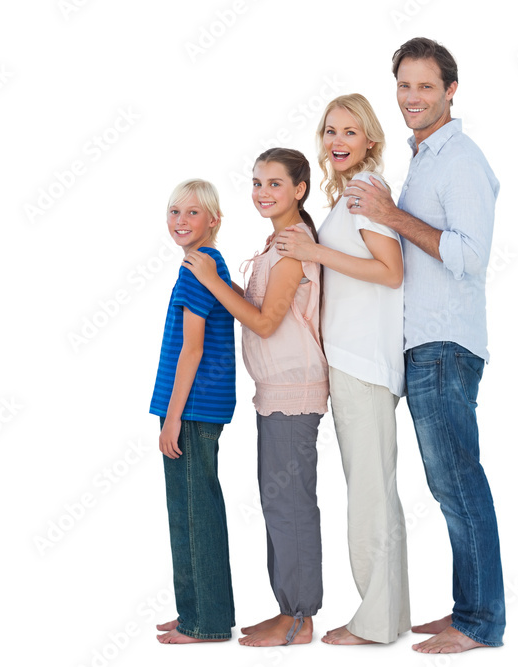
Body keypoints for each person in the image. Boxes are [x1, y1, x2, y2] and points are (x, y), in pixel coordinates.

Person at [343, 37, 505, 653]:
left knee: (458, 481)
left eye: (426, 87)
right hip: (423, 346)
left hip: (445, 343)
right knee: (448, 482)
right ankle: (470, 608)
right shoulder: (423, 160)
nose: (413, 98)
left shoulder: (460, 159)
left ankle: (480, 623)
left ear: (450, 91)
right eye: (404, 87)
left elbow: (467, 254)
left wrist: (391, 214)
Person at [274, 93, 408, 645]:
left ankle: (375, 623)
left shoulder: (364, 191)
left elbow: (391, 271)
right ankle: (388, 616)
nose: (337, 141)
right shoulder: (347, 196)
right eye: (331, 130)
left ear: (369, 140)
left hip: (363, 364)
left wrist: (317, 253)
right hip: (352, 363)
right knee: (374, 489)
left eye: (350, 132)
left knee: (370, 494)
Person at [183, 148, 328, 647]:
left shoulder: (294, 246)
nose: (262, 193)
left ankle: (300, 618)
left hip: (294, 390)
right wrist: (223, 285)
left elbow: (266, 322)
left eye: (274, 184)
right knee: (277, 499)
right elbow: (260, 309)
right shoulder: (276, 244)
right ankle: (288, 609)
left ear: (300, 190)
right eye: (257, 183)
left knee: (290, 503)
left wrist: (212, 282)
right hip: (274, 391)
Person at [149, 179, 237, 644]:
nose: (180, 222)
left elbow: (193, 348)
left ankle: (206, 622)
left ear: (214, 221)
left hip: (192, 408)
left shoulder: (198, 268)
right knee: (186, 509)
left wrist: (172, 416)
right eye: (173, 212)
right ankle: (196, 611)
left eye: (192, 214)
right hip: (194, 406)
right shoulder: (203, 265)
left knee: (195, 512)